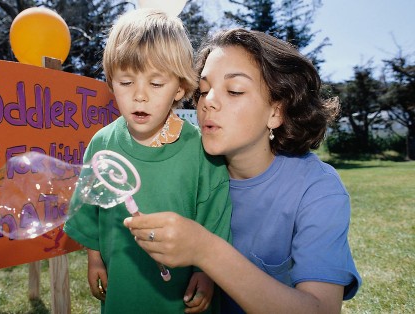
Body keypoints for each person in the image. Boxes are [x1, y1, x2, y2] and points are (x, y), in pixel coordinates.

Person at [124, 28, 362, 313]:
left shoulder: (318, 190)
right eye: (202, 90)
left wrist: (206, 250)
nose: (208, 101)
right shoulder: (186, 169)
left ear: (276, 112)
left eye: (234, 90)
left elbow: (321, 309)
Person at [64, 9, 232, 313]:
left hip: (183, 298)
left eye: (156, 84)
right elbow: (89, 210)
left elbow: (215, 218)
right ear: (111, 81)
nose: (139, 96)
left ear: (179, 88)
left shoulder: (201, 150)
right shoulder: (102, 144)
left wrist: (206, 273)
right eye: (126, 82)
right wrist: (94, 258)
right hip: (122, 294)